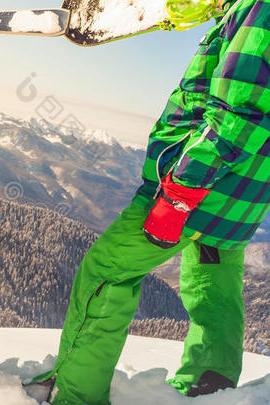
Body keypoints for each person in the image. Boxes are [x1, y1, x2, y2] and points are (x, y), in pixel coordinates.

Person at [31, 0, 269, 403]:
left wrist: (179, 194)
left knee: (107, 269)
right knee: (213, 285)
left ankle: (76, 394)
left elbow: (238, 114)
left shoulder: (260, 9)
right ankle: (211, 385)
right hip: (244, 198)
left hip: (201, 185)